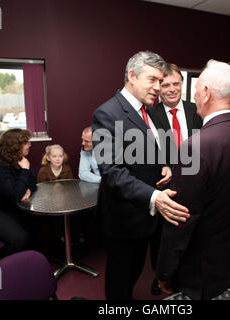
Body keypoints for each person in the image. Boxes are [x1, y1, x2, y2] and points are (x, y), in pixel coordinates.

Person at [155, 60, 230, 300]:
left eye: (196, 89)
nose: (193, 94)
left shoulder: (196, 146)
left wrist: (164, 271)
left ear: (205, 93)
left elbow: (183, 219)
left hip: (199, 267)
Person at [92, 51, 190, 300]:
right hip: (123, 218)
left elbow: (149, 149)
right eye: (152, 80)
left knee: (134, 272)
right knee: (120, 283)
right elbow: (112, 172)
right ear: (132, 76)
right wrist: (154, 197)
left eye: (161, 81)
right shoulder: (106, 114)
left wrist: (164, 165)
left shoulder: (147, 111)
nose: (158, 87)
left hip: (144, 215)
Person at [148, 63, 203, 295]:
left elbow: (205, 145)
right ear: (159, 88)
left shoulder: (197, 110)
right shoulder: (149, 113)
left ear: (183, 85)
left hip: (194, 183)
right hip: (163, 185)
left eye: (176, 84)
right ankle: (160, 275)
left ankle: (183, 276)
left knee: (190, 232)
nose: (171, 89)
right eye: (166, 84)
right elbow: (146, 149)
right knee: (160, 237)